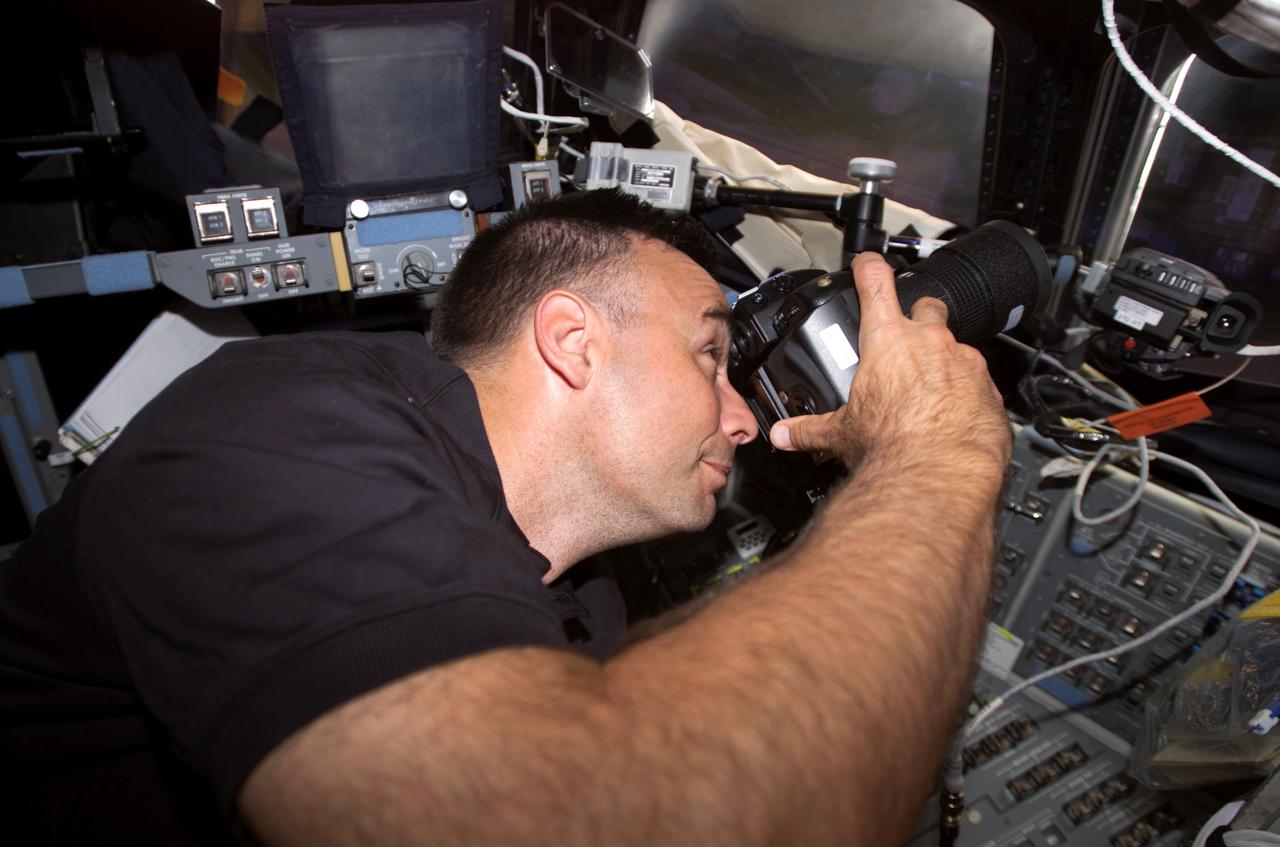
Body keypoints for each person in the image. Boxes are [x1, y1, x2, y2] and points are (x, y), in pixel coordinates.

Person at [0, 188, 1010, 845]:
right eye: (709, 354)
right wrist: (935, 455)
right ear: (571, 340)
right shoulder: (278, 442)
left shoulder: (584, 597)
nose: (744, 419)